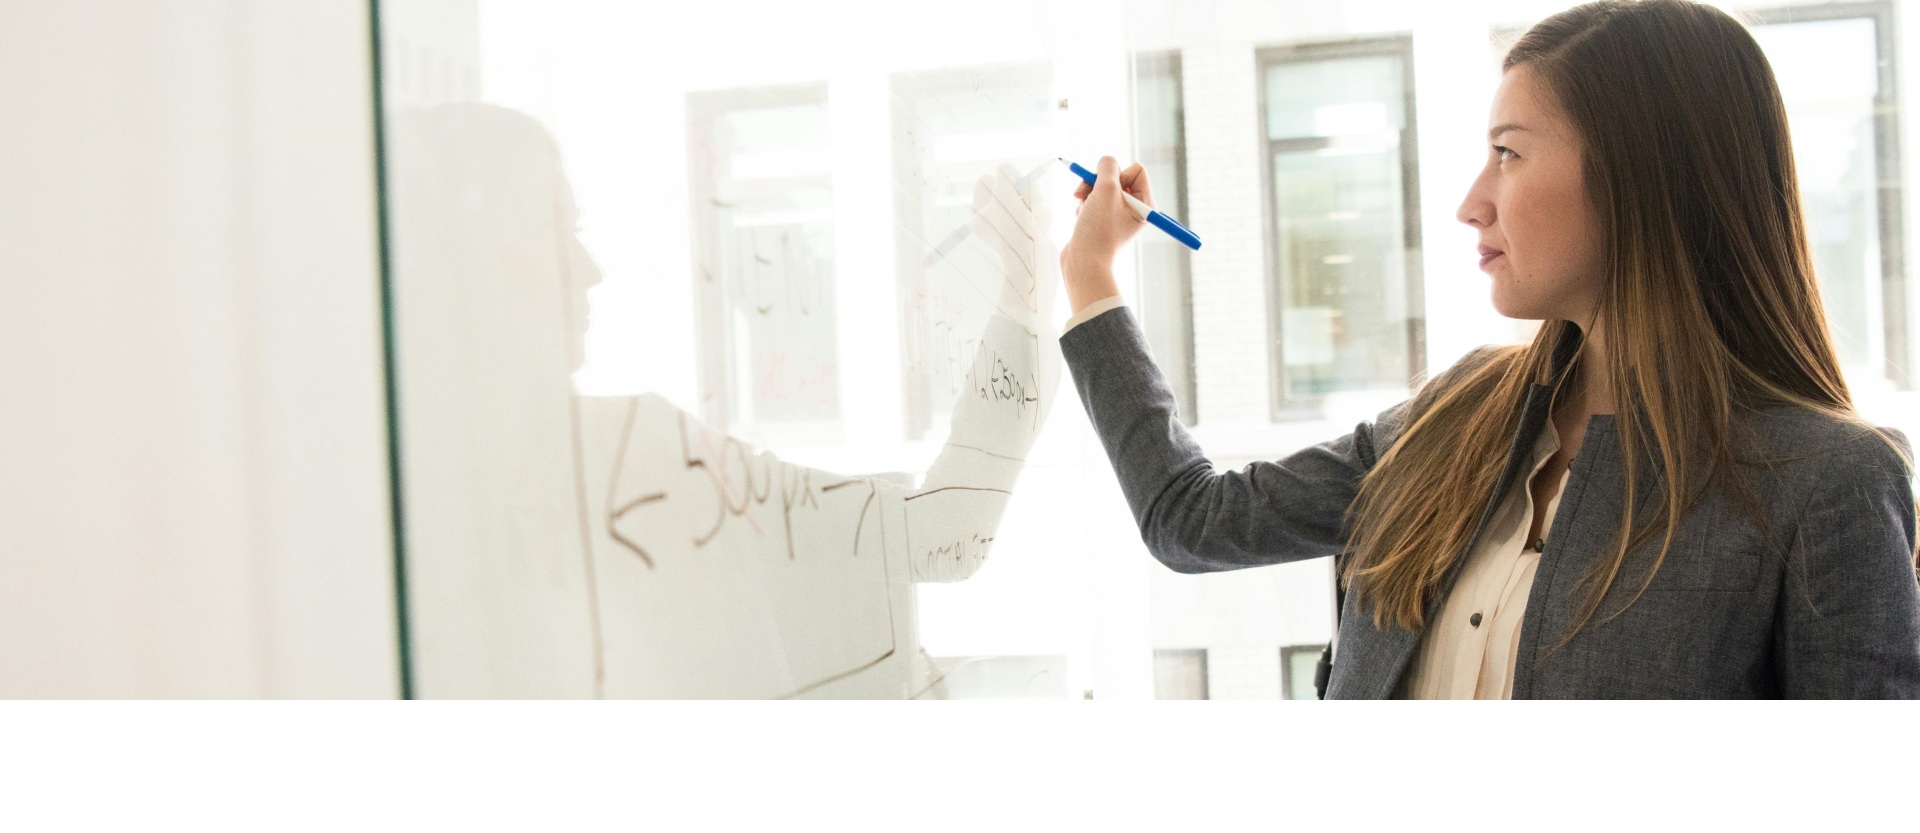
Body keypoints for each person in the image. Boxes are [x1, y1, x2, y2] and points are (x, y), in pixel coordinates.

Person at [1056, 0, 1920, 698]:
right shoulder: (1455, 416)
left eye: (1508, 153)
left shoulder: (1828, 485)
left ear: (1641, 178)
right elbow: (1190, 519)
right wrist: (1091, 275)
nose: (1471, 202)